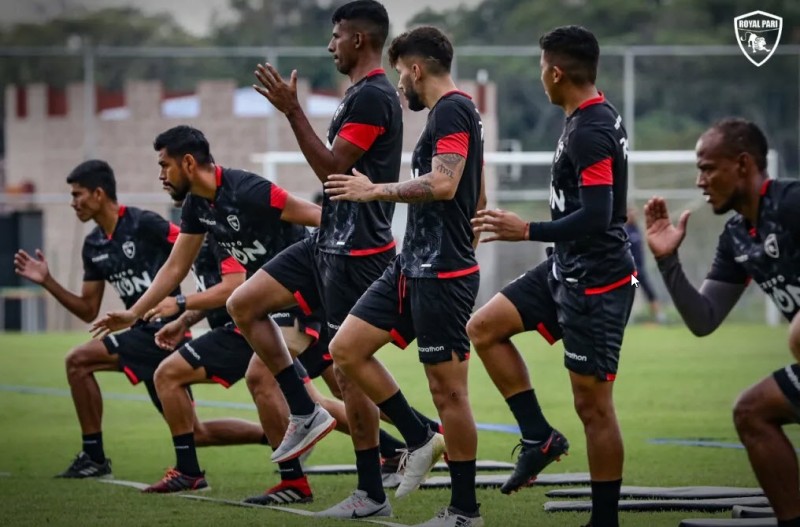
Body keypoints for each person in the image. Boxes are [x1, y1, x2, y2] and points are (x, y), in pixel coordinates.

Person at [241, 0, 440, 503]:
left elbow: (332, 170)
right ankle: (305, 410)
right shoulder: (356, 95)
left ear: (358, 39)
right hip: (326, 242)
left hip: (357, 252)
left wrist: (292, 111)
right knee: (244, 303)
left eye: (336, 36)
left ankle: (378, 482)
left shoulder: (373, 97)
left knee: (348, 370)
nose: (330, 45)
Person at [89, 125, 337, 494]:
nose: (161, 175)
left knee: (269, 376)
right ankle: (399, 440)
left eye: (164, 165)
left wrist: (344, 273)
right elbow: (175, 266)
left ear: (188, 163)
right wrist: (134, 313)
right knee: (327, 387)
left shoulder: (248, 190)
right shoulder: (197, 206)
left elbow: (322, 219)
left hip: (307, 301)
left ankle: (316, 450)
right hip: (265, 309)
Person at [468, 25, 634, 527]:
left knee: (593, 406)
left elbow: (599, 215)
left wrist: (527, 230)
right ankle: (539, 437)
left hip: (597, 282)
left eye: (543, 67)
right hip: (564, 267)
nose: (541, 76)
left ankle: (604, 520)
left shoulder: (590, 129)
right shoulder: (585, 118)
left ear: (557, 72)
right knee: (484, 327)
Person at [321, 25, 486, 526]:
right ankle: (419, 436)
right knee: (345, 348)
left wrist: (374, 190)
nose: (399, 85)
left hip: (442, 274)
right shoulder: (451, 113)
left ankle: (464, 511)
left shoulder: (453, 109)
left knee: (448, 392)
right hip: (411, 265)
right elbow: (475, 194)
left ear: (416, 69)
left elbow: (445, 183)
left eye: (400, 74)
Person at [644, 118, 800, 527]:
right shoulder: (736, 237)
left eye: (708, 168)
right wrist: (667, 260)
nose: (700, 181)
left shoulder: (792, 203)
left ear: (743, 164)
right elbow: (704, 319)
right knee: (751, 412)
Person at [13, 159, 187, 479]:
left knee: (78, 361)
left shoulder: (143, 223)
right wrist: (48, 281)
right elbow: (87, 310)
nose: (73, 202)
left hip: (165, 331)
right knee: (197, 433)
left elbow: (193, 244)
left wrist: (193, 300)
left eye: (77, 194)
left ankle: (93, 457)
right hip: (141, 335)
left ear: (98, 193)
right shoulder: (93, 246)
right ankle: (271, 438)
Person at [624, 206, 666, 323]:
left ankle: (659, 316)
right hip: (632, 271)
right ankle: (628, 317)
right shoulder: (625, 230)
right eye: (630, 213)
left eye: (634, 213)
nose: (633, 215)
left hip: (641, 270)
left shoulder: (637, 229)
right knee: (631, 292)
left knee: (649, 291)